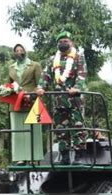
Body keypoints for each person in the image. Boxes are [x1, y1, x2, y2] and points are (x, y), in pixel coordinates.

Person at [36, 31, 87, 164]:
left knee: (77, 127)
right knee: (61, 130)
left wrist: (77, 87)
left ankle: (79, 156)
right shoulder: (53, 59)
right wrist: (41, 87)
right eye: (60, 41)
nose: (63, 43)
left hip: (74, 99)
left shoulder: (78, 57)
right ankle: (64, 156)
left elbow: (82, 75)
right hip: (58, 100)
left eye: (66, 41)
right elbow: (46, 75)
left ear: (71, 43)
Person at [8, 43, 44, 162]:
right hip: (16, 102)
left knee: (34, 130)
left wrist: (34, 92)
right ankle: (20, 158)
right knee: (18, 131)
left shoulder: (35, 65)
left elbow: (41, 83)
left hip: (32, 101)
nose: (19, 52)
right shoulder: (11, 67)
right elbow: (9, 83)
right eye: (16, 50)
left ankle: (34, 157)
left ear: (25, 51)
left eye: (21, 50)